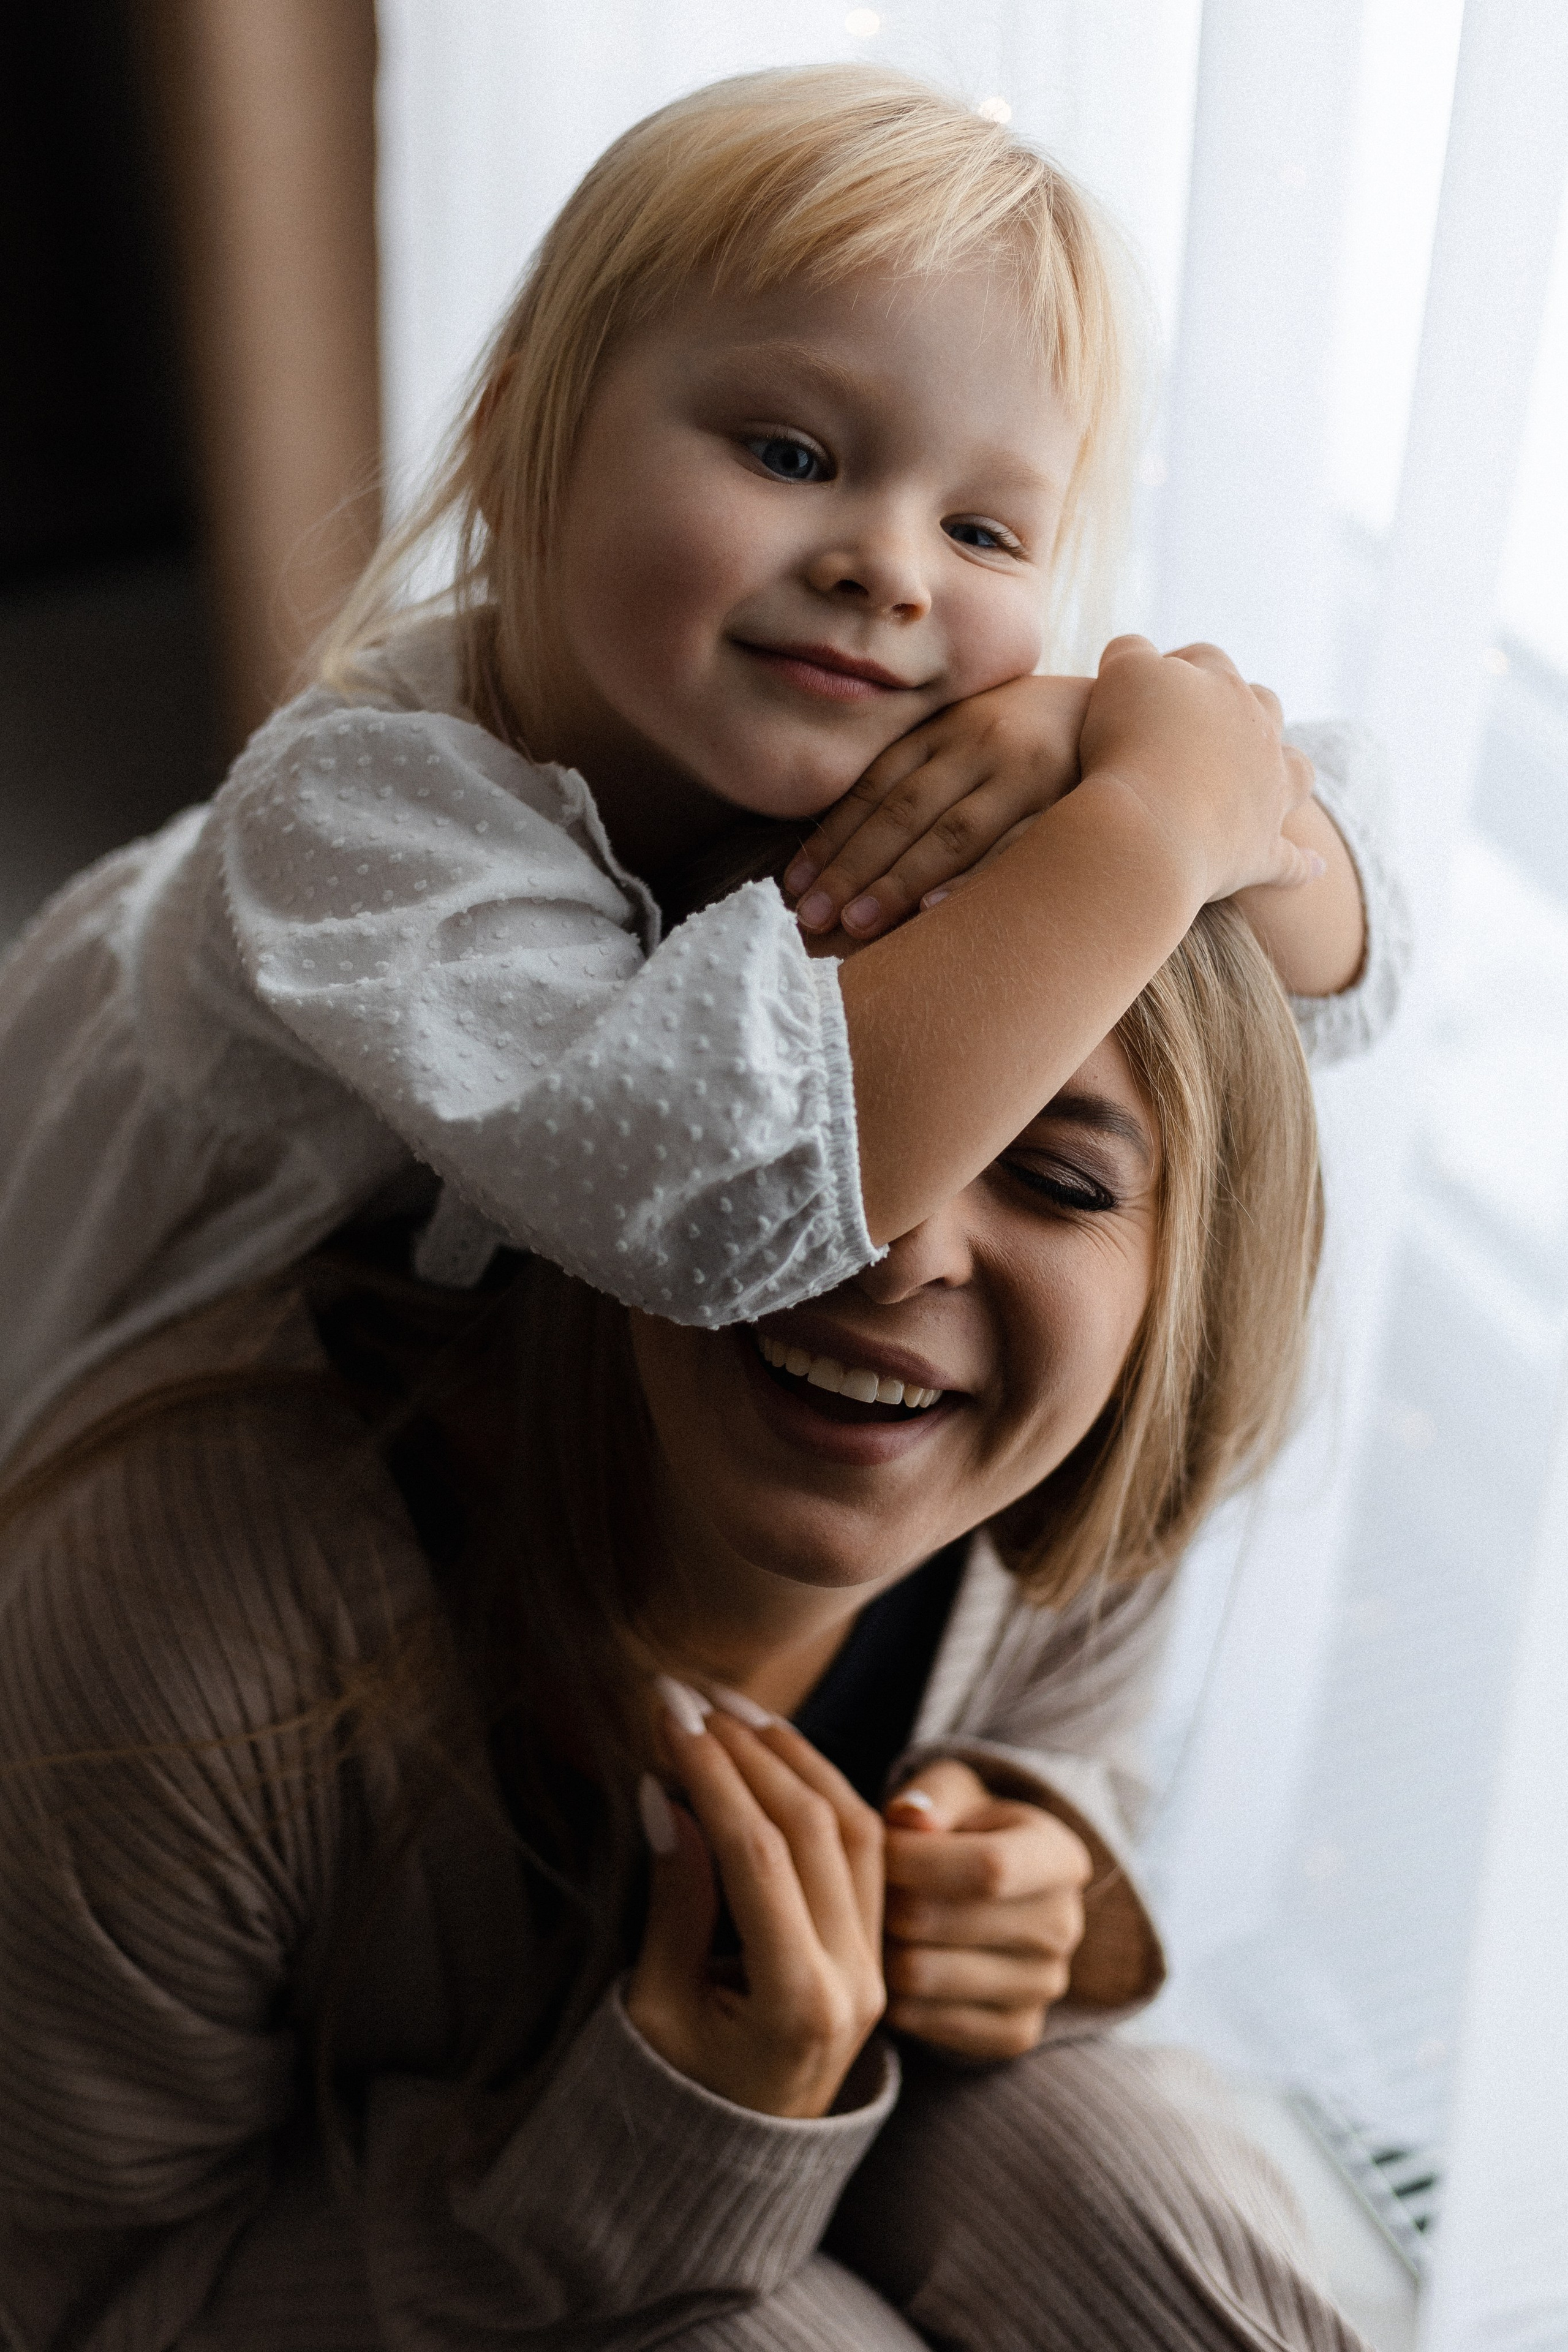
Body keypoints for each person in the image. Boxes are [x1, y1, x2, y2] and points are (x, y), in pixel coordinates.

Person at [0, 866, 1366, 2345]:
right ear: (612, 1094)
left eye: (1057, 1181)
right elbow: (77, 2298)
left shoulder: (1058, 1475)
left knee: (1145, 2219)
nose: (899, 1243)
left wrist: (1039, 1873)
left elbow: (1071, 1758)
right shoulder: (178, 1623)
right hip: (360, 2263)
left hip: (860, 2135)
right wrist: (663, 2156)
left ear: (1180, 1281)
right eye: (823, 1095)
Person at [0, 65, 1406, 1475]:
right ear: (516, 442)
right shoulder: (353, 811)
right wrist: (1150, 830)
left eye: (983, 534)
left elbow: (1355, 967)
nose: (893, 570)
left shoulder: (887, 699)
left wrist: (1109, 746)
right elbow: (711, 1195)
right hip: (160, 1327)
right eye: (790, 455)